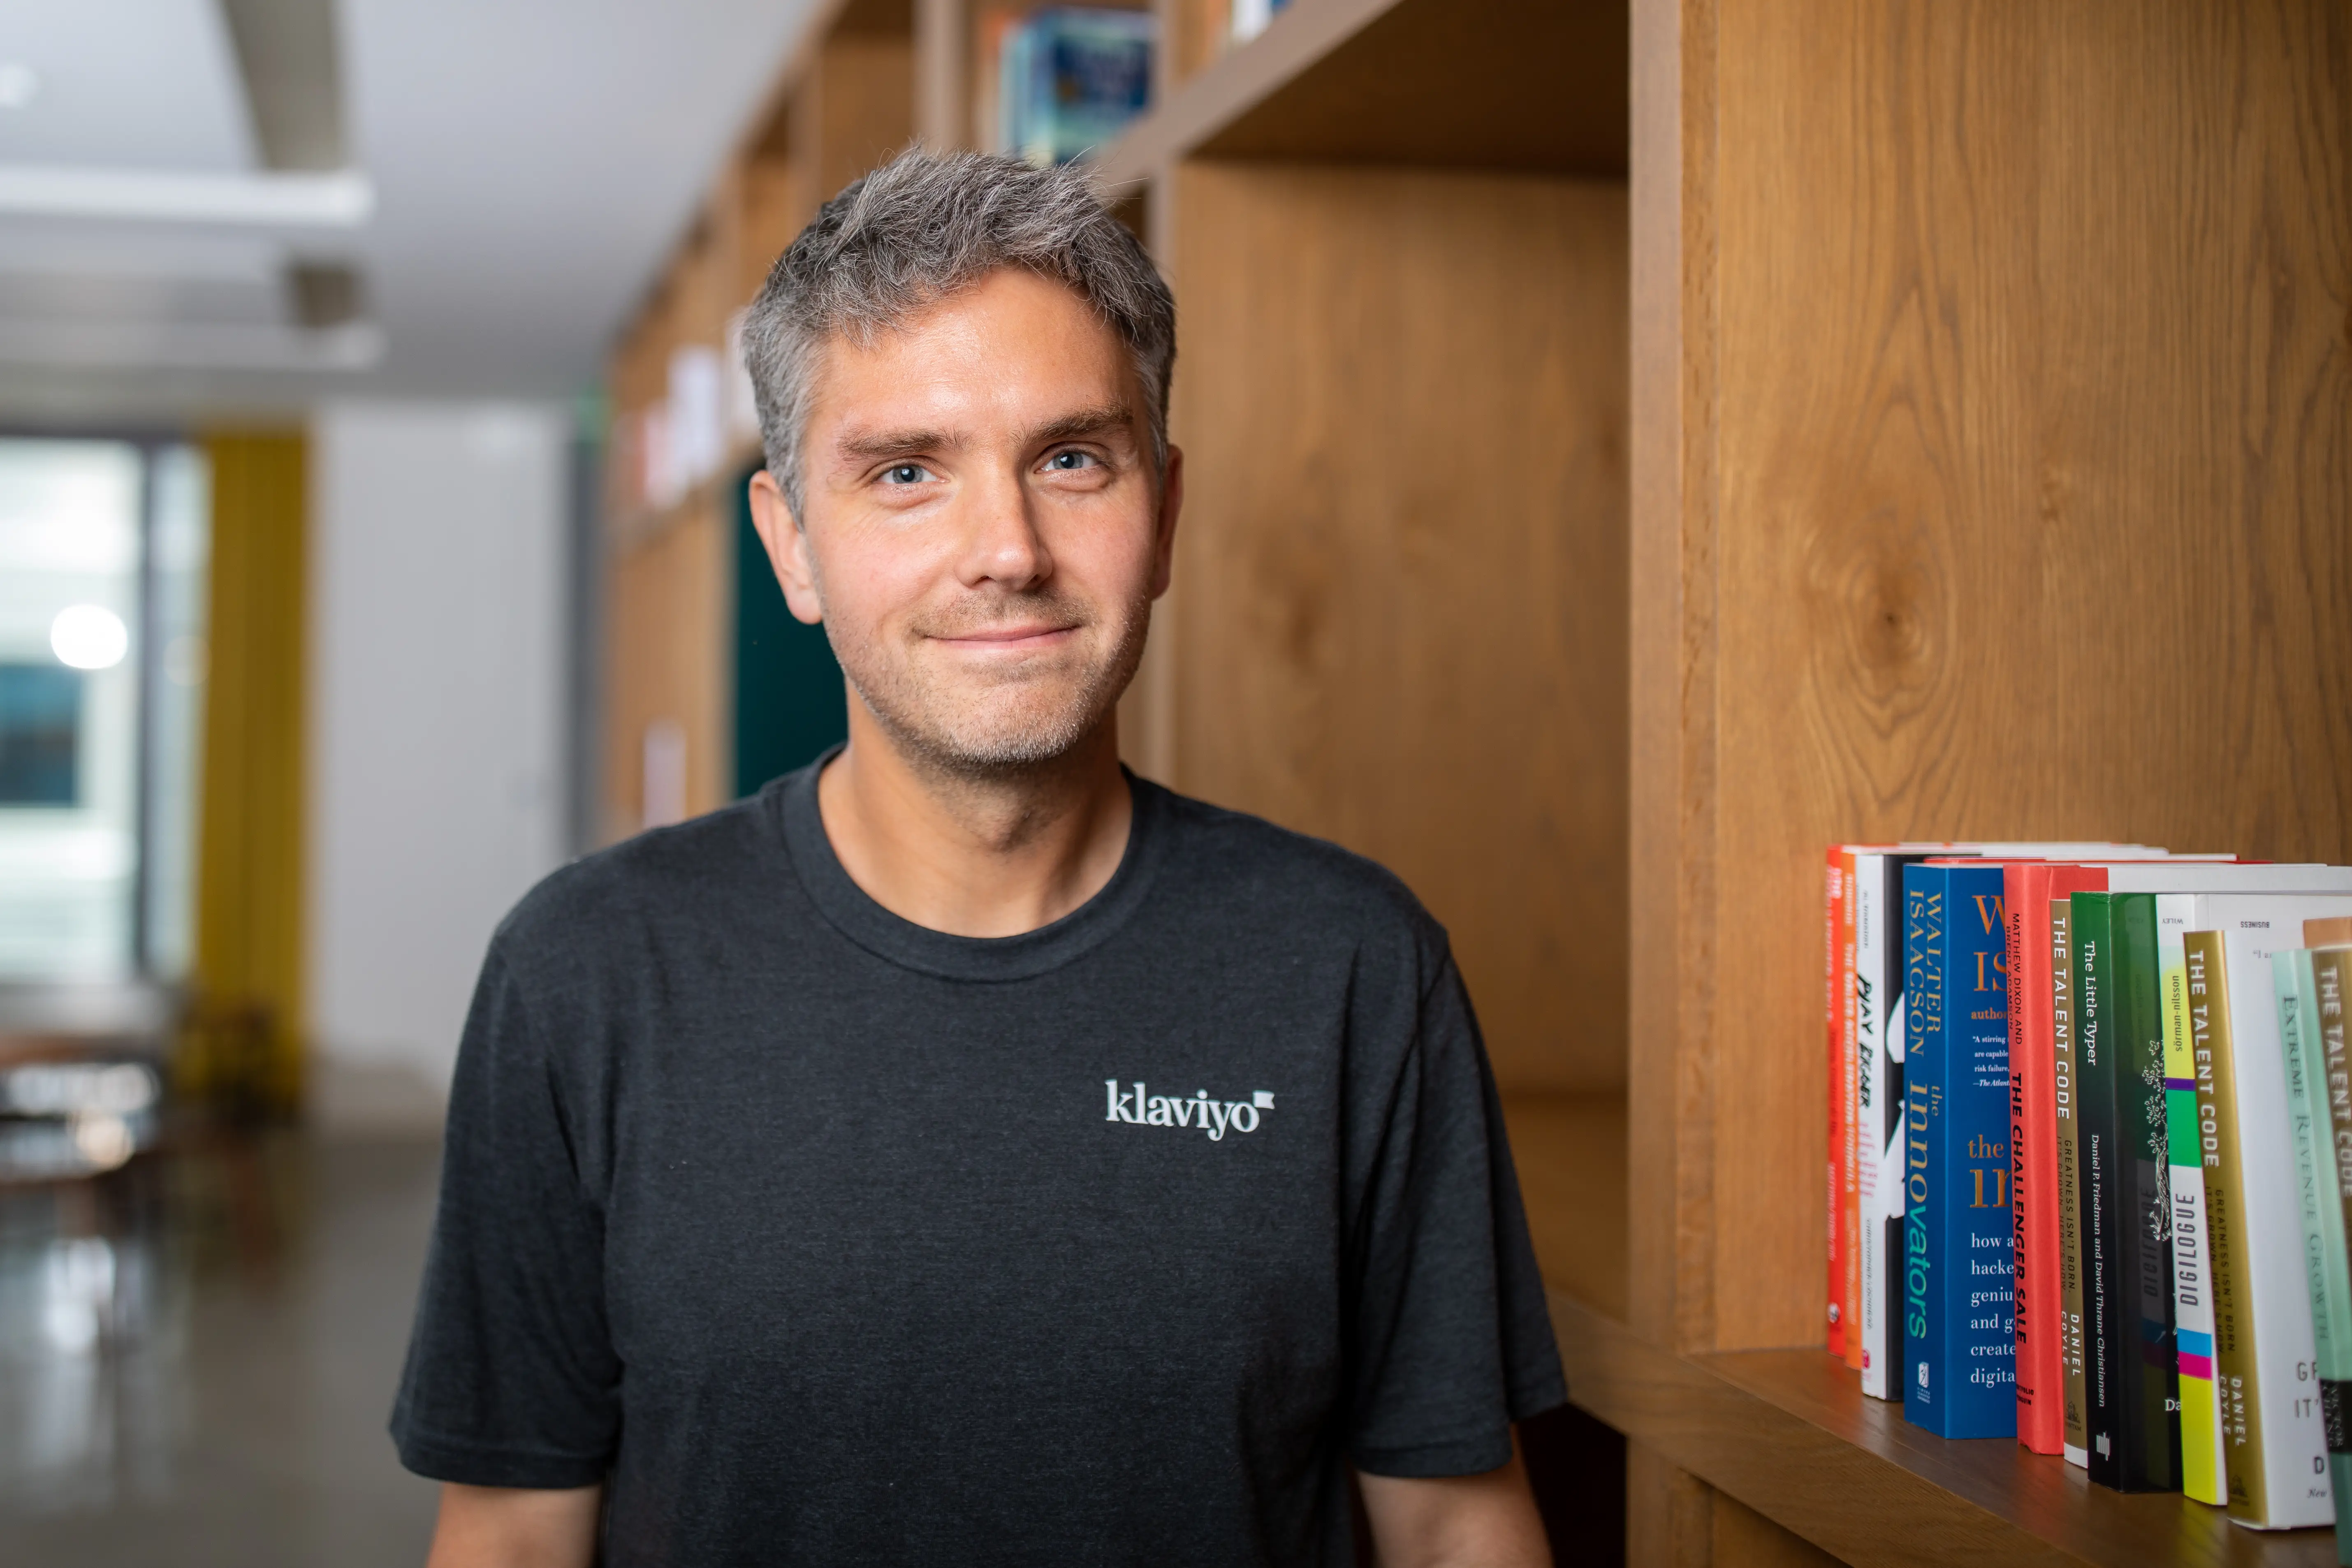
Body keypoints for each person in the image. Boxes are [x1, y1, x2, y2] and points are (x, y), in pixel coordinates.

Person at [392, 148, 1564, 1567]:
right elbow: (513, 1532)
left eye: (1072, 458)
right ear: (792, 546)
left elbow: (1451, 1523)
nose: (1004, 549)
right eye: (903, 472)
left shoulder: (1354, 966)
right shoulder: (583, 972)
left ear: (1166, 513)